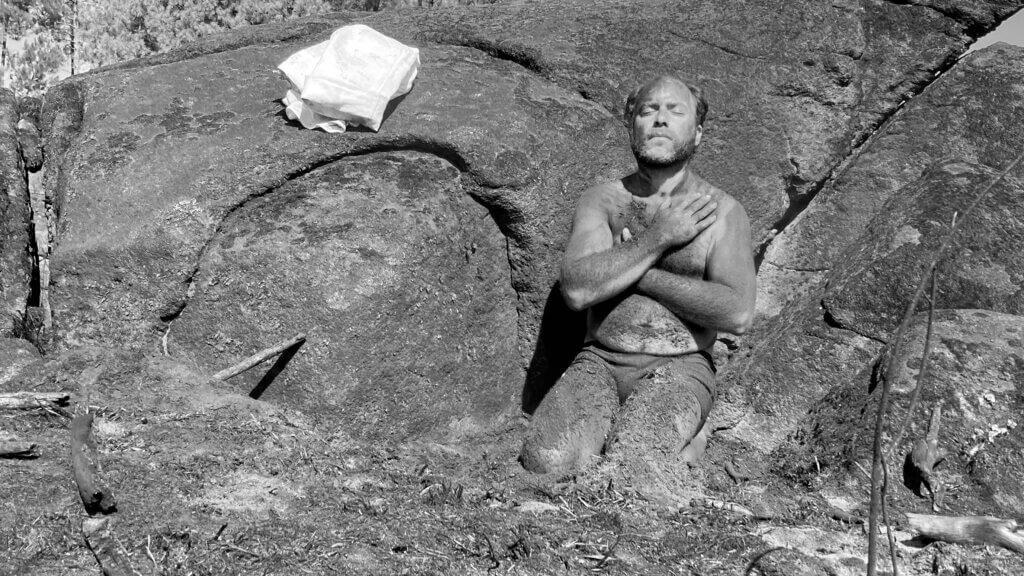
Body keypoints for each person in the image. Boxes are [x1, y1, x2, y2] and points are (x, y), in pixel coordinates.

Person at [520, 75, 756, 495]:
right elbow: (577, 290)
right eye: (648, 111)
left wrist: (638, 273)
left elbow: (737, 313)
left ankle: (690, 435)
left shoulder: (721, 211)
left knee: (637, 463)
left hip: (679, 367)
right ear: (632, 127)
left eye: (675, 111)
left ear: (698, 133)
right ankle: (641, 439)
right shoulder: (603, 200)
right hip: (600, 362)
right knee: (545, 459)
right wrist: (658, 238)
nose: (660, 120)